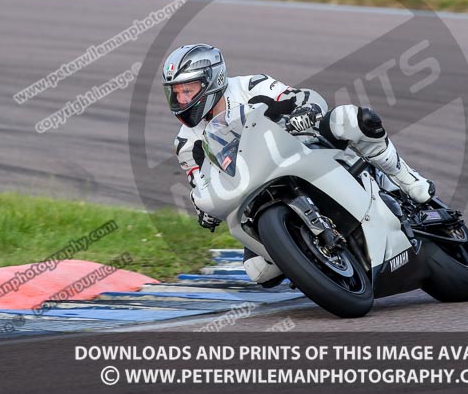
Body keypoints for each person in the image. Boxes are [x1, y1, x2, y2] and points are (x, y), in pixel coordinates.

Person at [163, 43, 435, 287]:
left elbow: (299, 96)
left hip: (296, 148)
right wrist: (204, 210)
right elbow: (200, 182)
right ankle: (311, 261)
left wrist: (305, 110)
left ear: (213, 80)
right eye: (176, 93)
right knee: (257, 270)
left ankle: (407, 179)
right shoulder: (185, 142)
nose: (182, 101)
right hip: (251, 185)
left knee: (351, 119)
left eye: (188, 91)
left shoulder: (250, 85)